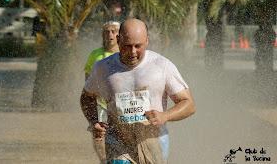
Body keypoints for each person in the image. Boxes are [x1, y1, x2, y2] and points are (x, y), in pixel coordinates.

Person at [80, 18, 196, 163]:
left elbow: (189, 104)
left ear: (147, 41)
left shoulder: (162, 66)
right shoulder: (103, 67)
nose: (132, 52)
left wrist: (165, 116)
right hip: (118, 140)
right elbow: (87, 97)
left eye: (138, 46)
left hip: (153, 139)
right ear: (118, 40)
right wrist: (94, 120)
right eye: (127, 46)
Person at [83, 21, 120, 163]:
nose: (110, 35)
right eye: (107, 32)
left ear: (120, 34)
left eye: (114, 31)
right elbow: (87, 84)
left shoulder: (127, 53)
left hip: (121, 107)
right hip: (101, 106)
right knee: (99, 137)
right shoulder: (95, 55)